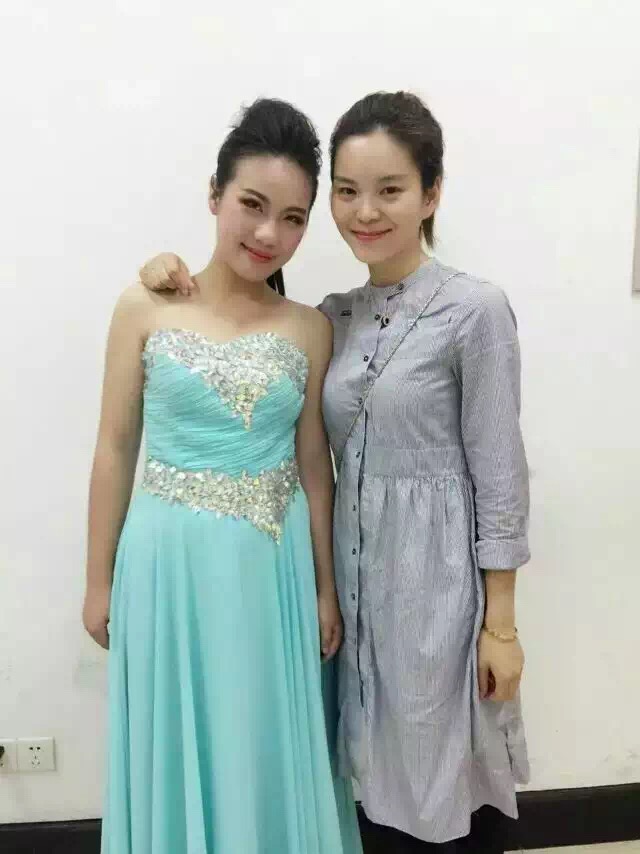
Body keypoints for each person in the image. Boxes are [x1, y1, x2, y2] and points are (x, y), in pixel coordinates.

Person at [137, 91, 530, 853]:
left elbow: (501, 476)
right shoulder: (332, 316)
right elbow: (244, 330)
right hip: (353, 589)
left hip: (439, 596)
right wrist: (162, 270)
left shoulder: (475, 311)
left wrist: (502, 627)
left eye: (390, 190)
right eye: (347, 192)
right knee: (368, 788)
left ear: (431, 194)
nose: (365, 212)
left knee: (445, 788)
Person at [83, 98, 363, 854]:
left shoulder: (310, 327)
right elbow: (114, 447)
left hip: (272, 569)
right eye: (252, 205)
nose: (269, 233)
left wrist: (325, 588)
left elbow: (315, 467)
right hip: (166, 566)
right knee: (179, 735)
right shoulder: (144, 305)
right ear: (215, 195)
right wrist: (99, 580)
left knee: (261, 737)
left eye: (293, 218)